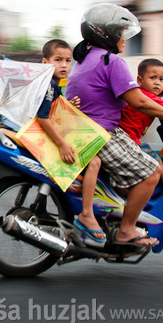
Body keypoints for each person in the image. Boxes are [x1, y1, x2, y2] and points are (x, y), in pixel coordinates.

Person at [65, 3, 163, 248]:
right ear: (108, 34)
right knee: (152, 170)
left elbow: (131, 90)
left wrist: (162, 89)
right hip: (100, 133)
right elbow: (140, 101)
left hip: (80, 130)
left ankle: (114, 212)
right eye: (121, 32)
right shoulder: (111, 61)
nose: (124, 38)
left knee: (138, 160)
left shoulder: (85, 60)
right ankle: (126, 230)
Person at [35, 39, 105, 244]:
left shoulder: (52, 85)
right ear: (45, 62)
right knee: (94, 161)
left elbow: (51, 110)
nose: (64, 65)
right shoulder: (49, 84)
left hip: (48, 136)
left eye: (68, 60)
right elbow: (43, 118)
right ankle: (86, 214)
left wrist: (66, 105)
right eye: (58, 60)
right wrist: (62, 144)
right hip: (48, 139)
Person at [119, 58, 163, 203]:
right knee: (155, 161)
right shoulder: (147, 96)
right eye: (153, 78)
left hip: (128, 138)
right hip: (130, 140)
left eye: (161, 79)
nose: (157, 82)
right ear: (139, 80)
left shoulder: (142, 94)